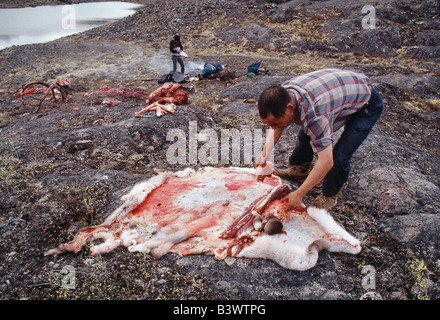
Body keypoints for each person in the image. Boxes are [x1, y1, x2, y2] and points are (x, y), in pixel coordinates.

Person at [256, 68, 383, 211]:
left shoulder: (315, 113)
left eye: (275, 123)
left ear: (289, 108)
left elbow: (326, 161)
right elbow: (278, 126)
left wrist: (299, 193)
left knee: (339, 156)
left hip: (366, 105)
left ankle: (329, 196)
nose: (273, 127)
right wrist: (264, 154)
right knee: (308, 131)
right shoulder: (284, 94)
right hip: (338, 94)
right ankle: (300, 170)